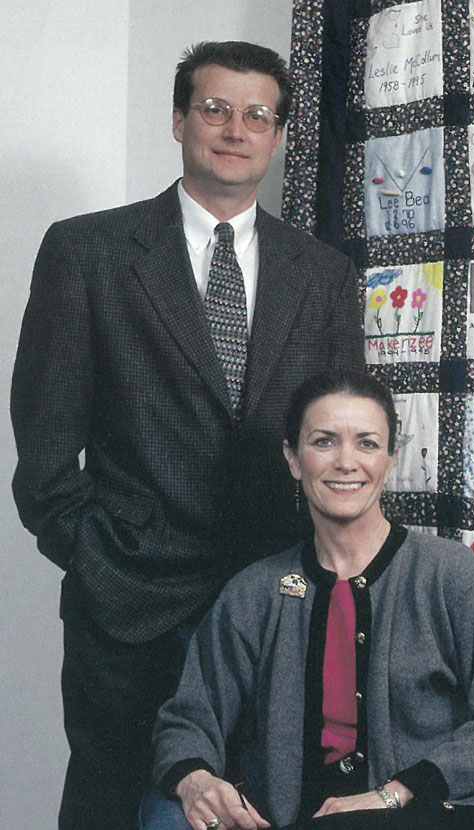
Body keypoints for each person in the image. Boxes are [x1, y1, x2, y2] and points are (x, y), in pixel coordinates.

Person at [10, 41, 364, 830]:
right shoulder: (88, 252)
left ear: (277, 138)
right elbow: (42, 460)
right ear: (179, 121)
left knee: (261, 808)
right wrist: (101, 560)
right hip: (129, 607)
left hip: (276, 605)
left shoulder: (324, 274)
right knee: (111, 805)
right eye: (214, 109)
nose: (234, 129)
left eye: (257, 115)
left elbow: (340, 442)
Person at [150, 370, 474, 830]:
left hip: (470, 813)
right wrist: (193, 779)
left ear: (390, 461)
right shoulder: (255, 593)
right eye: (324, 441)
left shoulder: (449, 574)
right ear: (293, 458)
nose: (346, 462)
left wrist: (394, 793)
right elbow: (187, 718)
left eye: (367, 444)